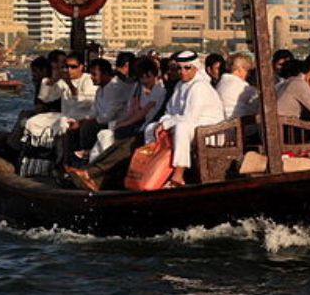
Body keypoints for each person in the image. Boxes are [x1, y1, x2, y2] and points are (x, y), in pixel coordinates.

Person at [65, 56, 164, 191]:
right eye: (141, 78)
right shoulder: (139, 88)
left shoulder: (159, 90)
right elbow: (134, 111)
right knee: (113, 143)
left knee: (121, 146)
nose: (144, 81)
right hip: (135, 127)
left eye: (147, 77)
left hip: (145, 130)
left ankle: (90, 172)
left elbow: (141, 114)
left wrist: (121, 124)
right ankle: (88, 171)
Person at [143, 50, 225, 186]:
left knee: (182, 128)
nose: (183, 71)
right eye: (179, 68)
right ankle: (154, 169)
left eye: (187, 67)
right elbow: (169, 111)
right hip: (191, 125)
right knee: (150, 128)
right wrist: (162, 123)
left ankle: (178, 175)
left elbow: (190, 117)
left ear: (195, 67)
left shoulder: (199, 86)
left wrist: (167, 124)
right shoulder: (179, 85)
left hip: (210, 131)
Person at [218, 53, 260, 120]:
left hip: (223, 122)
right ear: (240, 69)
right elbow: (258, 105)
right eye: (247, 70)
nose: (248, 74)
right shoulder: (242, 86)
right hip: (238, 124)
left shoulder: (221, 82)